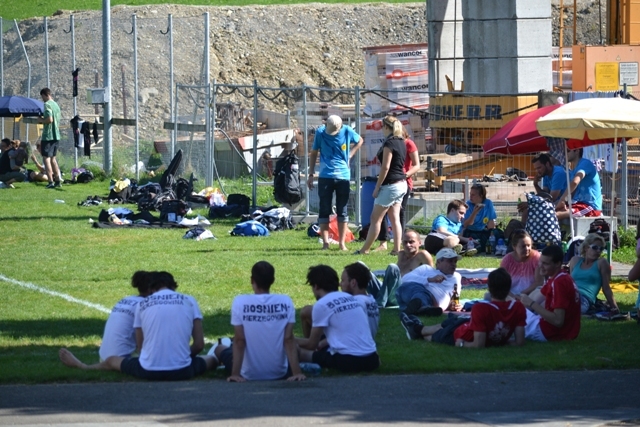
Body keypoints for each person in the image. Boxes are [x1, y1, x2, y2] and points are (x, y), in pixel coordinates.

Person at [59, 271, 219, 380]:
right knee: (211, 359)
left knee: (112, 360)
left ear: (152, 289)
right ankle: (225, 357)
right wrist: (180, 357)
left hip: (148, 370)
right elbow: (199, 345)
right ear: (174, 286)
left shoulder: (142, 304)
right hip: (182, 371)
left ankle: (83, 367)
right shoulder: (189, 300)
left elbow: (142, 349)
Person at [210, 261, 306, 382]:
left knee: (219, 349)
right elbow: (288, 339)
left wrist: (235, 374)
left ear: (252, 280)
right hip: (279, 372)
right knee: (296, 349)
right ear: (273, 280)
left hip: (247, 373)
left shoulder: (240, 302)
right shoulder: (286, 301)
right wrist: (297, 373)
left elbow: (240, 340)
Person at [400, 268, 526, 348]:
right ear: (509, 288)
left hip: (459, 335)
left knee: (434, 335)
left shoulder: (482, 309)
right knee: (451, 321)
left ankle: (415, 329)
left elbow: (478, 344)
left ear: (489, 288)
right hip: (467, 326)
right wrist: (502, 342)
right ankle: (417, 327)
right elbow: (519, 341)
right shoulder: (517, 307)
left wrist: (461, 344)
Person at [58, 271, 152, 367]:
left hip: (103, 357)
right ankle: (83, 366)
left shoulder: (126, 300)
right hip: (122, 358)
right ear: (150, 289)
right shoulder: (147, 305)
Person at [297, 265, 379, 373]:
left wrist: (287, 339)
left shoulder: (321, 305)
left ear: (316, 286)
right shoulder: (353, 299)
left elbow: (311, 344)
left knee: (297, 352)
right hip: (372, 360)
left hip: (348, 361)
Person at [307, 115, 363, 251]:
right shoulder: (320, 132)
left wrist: (351, 154)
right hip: (325, 176)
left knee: (342, 210)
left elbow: (360, 140)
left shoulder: (347, 130)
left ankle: (342, 243)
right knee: (324, 209)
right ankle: (325, 243)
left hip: (343, 177)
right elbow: (313, 152)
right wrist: (311, 173)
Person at [356, 115, 407, 255]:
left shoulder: (389, 143)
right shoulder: (401, 141)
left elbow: (385, 167)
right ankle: (396, 249)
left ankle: (364, 250)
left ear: (385, 127)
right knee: (395, 218)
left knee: (375, 218)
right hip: (401, 184)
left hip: (390, 185)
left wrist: (377, 187)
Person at [518, 245, 581, 342]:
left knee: (511, 314)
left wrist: (530, 303)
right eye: (540, 261)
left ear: (557, 264)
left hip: (548, 332)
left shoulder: (559, 282)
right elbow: (537, 299)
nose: (540, 266)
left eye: (545, 263)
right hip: (559, 331)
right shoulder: (559, 276)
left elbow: (558, 321)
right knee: (513, 308)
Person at [374, 127, 421, 252]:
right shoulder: (390, 143)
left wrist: (405, 175)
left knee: (399, 213)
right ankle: (383, 242)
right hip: (390, 182)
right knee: (383, 213)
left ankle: (400, 243)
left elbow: (417, 165)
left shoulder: (408, 143)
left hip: (402, 182)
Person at [365, 229, 434, 308]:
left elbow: (432, 277)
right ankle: (361, 298)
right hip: (390, 291)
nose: (408, 245)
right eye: (405, 242)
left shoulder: (423, 255)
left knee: (392, 267)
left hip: (403, 294)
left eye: (411, 242)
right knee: (361, 268)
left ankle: (380, 303)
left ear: (419, 243)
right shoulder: (401, 254)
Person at [395, 248, 462, 316]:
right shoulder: (426, 269)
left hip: (432, 300)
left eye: (455, 261)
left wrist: (456, 305)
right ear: (439, 262)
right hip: (412, 292)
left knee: (420, 295)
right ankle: (422, 308)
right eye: (450, 261)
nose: (454, 264)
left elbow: (455, 297)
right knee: (408, 288)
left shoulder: (456, 277)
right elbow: (405, 278)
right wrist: (429, 279)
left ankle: (416, 308)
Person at [568, 233, 619, 314]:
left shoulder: (601, 263)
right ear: (586, 248)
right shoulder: (575, 260)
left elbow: (606, 288)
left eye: (601, 249)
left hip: (584, 298)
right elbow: (570, 283)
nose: (598, 251)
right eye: (595, 247)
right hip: (569, 294)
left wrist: (614, 307)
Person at [555, 148, 602, 220]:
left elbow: (575, 182)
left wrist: (562, 199)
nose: (565, 154)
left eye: (568, 151)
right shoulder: (575, 169)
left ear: (577, 151)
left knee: (555, 215)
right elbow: (572, 193)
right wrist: (563, 203)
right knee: (552, 210)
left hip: (591, 207)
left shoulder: (585, 163)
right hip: (579, 204)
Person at [341, 262, 380, 339]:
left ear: (353, 283)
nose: (340, 284)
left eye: (342, 280)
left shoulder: (354, 304)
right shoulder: (371, 300)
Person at [500, 229, 544, 296]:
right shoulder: (507, 260)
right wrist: (512, 296)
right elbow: (501, 283)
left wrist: (521, 295)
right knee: (488, 295)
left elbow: (539, 282)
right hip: (510, 295)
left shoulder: (536, 258)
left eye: (528, 245)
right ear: (514, 247)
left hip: (531, 294)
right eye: (523, 246)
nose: (527, 249)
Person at [37, 87, 62, 189]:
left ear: (44, 95)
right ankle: (58, 180)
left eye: (42, 97)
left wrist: (41, 120)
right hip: (56, 135)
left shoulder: (47, 104)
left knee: (46, 159)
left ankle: (50, 181)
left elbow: (49, 119)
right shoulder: (56, 105)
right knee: (53, 159)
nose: (42, 99)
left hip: (48, 136)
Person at [461, 183, 497, 252]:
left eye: (473, 195)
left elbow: (491, 223)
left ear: (481, 196)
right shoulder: (468, 204)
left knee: (496, 233)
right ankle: (474, 247)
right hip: (470, 231)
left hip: (482, 231)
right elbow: (466, 224)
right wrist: (475, 212)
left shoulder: (488, 203)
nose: (470, 197)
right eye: (470, 194)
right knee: (474, 239)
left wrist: (492, 234)